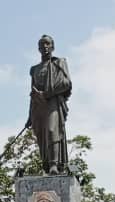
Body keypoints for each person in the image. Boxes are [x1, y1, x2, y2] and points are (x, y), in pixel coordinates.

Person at [26, 34, 72, 175]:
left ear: (52, 46)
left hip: (52, 102)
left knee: (52, 131)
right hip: (38, 106)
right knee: (41, 136)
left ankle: (54, 164)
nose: (45, 46)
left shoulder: (59, 63)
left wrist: (46, 94)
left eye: (47, 43)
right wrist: (29, 116)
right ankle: (45, 164)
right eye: (42, 44)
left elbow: (66, 83)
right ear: (38, 48)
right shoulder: (34, 69)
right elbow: (32, 93)